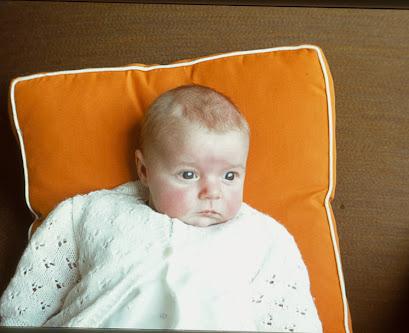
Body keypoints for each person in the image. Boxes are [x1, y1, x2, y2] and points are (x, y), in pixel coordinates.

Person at [0, 84, 323, 332]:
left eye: (229, 175)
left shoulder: (263, 238)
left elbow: (293, 320)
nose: (212, 191)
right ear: (144, 170)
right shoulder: (88, 214)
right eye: (188, 174)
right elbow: (26, 303)